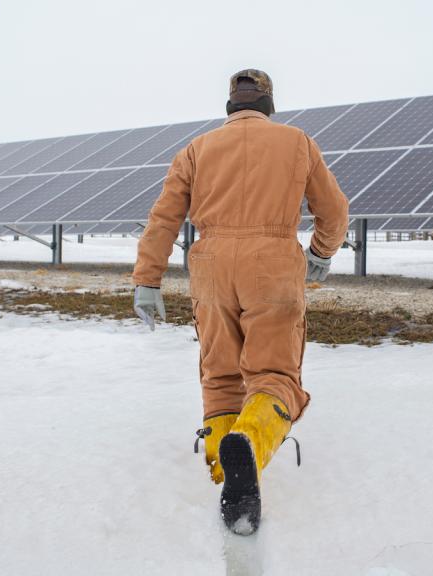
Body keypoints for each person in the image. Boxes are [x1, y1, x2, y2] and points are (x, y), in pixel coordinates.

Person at [132, 69, 349, 534]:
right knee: (273, 373)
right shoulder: (297, 143)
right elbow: (333, 209)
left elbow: (163, 218)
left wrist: (147, 279)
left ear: (230, 105)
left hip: (210, 266)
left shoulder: (196, 149)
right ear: (269, 103)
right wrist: (321, 253)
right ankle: (248, 443)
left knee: (221, 372)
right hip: (272, 263)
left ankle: (222, 466)